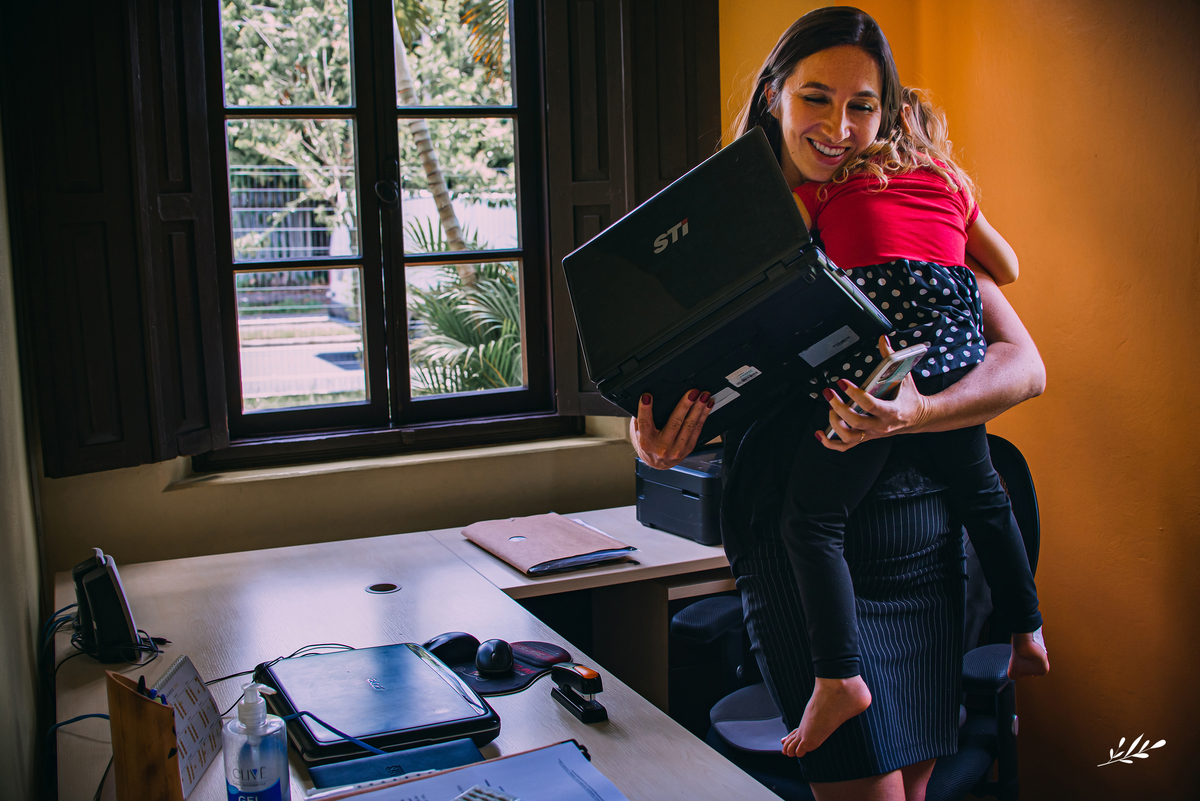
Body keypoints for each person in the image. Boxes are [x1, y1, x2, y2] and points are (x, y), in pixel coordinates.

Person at [629, 7, 1046, 800]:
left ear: (887, 112)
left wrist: (917, 412)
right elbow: (667, 377)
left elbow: (1025, 366)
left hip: (921, 530)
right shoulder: (729, 228)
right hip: (799, 535)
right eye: (816, 98)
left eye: (863, 104)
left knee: (915, 786)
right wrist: (654, 442)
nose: (840, 127)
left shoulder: (904, 205)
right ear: (776, 97)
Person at [776, 81, 1049, 761]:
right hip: (956, 349)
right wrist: (947, 236)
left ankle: (838, 677)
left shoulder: (829, 187)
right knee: (984, 494)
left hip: (888, 357)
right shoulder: (951, 181)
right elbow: (1009, 267)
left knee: (812, 518)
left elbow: (780, 262)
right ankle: (1027, 632)